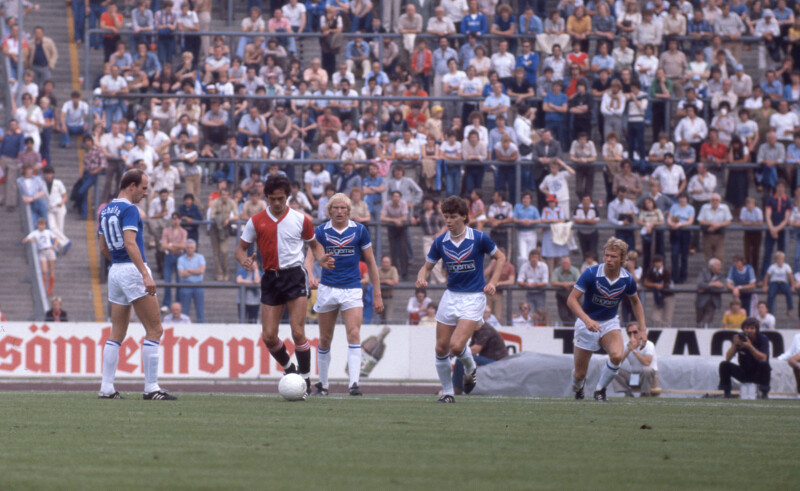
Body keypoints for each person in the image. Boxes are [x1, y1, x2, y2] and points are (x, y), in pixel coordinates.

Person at [236, 175, 334, 398]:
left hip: (294, 276)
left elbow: (315, 246)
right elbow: (240, 249)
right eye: (273, 199)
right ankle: (291, 370)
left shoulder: (301, 219)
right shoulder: (256, 220)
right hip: (270, 278)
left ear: (287, 196)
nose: (277, 203)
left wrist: (320, 259)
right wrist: (244, 260)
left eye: (281, 198)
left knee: (298, 331)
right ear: (266, 197)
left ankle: (306, 379)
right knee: (269, 336)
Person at [416, 195, 506, 403]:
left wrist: (493, 282)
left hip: (473, 298)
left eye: (453, 217)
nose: (448, 221)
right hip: (451, 296)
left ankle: (470, 366)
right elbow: (427, 266)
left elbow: (500, 257)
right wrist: (422, 277)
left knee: (456, 347)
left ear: (464, 217)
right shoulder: (440, 242)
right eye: (446, 216)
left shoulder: (479, 238)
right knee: (441, 348)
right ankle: (448, 393)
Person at [97, 169, 176, 400]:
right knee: (155, 329)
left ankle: (107, 387)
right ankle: (151, 388)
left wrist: (120, 266)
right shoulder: (129, 209)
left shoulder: (105, 210)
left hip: (116, 271)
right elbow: (130, 243)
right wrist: (143, 273)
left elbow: (103, 248)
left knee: (117, 333)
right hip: (132, 270)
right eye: (143, 188)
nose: (145, 192)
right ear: (131, 185)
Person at [305, 192, 383, 396]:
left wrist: (377, 294)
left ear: (349, 211)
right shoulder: (321, 232)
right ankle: (323, 385)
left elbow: (372, 263)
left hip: (352, 289)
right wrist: (311, 275)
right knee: (325, 339)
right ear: (329, 210)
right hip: (327, 289)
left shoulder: (360, 231)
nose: (339, 211)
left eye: (343, 208)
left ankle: (354, 385)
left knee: (354, 333)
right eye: (336, 208)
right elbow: (309, 258)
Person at [568, 237, 647, 402]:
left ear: (622, 259)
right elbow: (571, 300)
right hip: (586, 323)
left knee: (617, 356)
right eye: (607, 255)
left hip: (609, 322)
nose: (609, 260)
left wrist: (643, 329)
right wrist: (586, 320)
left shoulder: (627, 279)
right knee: (579, 373)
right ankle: (579, 388)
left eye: (614, 256)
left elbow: (636, 302)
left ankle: (600, 390)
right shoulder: (591, 273)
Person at [452, 307, 508, 395]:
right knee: (462, 358)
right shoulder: (477, 330)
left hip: (497, 362)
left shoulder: (485, 329)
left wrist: (456, 351)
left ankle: (457, 389)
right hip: (491, 360)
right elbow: (470, 348)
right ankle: (457, 387)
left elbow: (475, 349)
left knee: (461, 359)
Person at [718, 317, 771, 399]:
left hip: (757, 372)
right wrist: (735, 345)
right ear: (743, 329)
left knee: (764, 365)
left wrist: (750, 347)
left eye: (752, 328)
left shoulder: (762, 338)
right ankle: (727, 393)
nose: (749, 331)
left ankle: (764, 393)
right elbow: (728, 358)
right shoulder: (740, 338)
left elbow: (763, 358)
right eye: (746, 328)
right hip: (744, 371)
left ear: (756, 330)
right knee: (724, 365)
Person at [611, 322, 659, 397]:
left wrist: (634, 350)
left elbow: (647, 362)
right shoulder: (626, 345)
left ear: (640, 333)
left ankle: (645, 393)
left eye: (635, 332)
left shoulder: (648, 345)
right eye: (629, 333)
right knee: (613, 369)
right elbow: (617, 362)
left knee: (646, 370)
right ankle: (627, 392)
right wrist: (628, 350)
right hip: (635, 377)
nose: (632, 335)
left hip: (650, 378)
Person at [22, 217, 58, 296]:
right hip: (42, 252)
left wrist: (55, 245)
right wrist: (31, 240)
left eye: (43, 225)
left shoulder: (48, 232)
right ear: (37, 225)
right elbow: (26, 239)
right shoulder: (35, 233)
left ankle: (50, 289)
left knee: (51, 270)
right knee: (44, 271)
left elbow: (55, 238)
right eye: (40, 225)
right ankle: (42, 288)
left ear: (45, 225)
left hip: (49, 250)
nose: (41, 226)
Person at [177, 239, 205, 323]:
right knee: (184, 310)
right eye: (188, 247)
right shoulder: (181, 259)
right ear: (185, 248)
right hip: (186, 285)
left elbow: (201, 271)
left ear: (195, 248)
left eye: (191, 248)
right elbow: (181, 274)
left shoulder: (200, 257)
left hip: (198, 285)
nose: (190, 249)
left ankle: (202, 327)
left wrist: (188, 270)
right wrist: (195, 271)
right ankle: (184, 327)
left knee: (200, 309)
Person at [764, 251, 796, 317]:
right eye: (778, 258)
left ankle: (790, 309)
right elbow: (767, 276)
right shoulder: (772, 267)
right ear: (776, 259)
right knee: (771, 294)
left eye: (781, 258)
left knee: (788, 292)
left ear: (783, 259)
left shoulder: (786, 266)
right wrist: (765, 285)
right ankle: (769, 310)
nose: (780, 260)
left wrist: (793, 286)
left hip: (783, 283)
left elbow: (791, 277)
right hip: (774, 283)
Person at [696, 258, 725, 328]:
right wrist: (713, 284)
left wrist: (705, 288)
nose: (720, 267)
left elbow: (722, 285)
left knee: (706, 322)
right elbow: (700, 284)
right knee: (699, 321)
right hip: (702, 300)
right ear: (712, 266)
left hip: (713, 301)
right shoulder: (703, 272)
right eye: (718, 265)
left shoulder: (721, 275)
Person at [551, 256, 579, 324]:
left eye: (566, 263)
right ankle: (567, 329)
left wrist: (570, 284)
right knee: (563, 315)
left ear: (570, 263)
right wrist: (564, 284)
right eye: (563, 263)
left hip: (573, 296)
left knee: (573, 315)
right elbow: (553, 282)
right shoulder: (557, 270)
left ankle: (572, 330)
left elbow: (579, 282)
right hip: (561, 296)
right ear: (561, 264)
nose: (565, 264)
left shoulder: (575, 270)